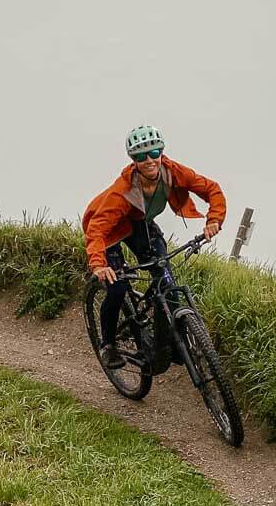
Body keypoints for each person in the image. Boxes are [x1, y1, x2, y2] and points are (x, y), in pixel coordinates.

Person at [82, 125, 227, 369]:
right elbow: (97, 229)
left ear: (162, 152)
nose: (149, 160)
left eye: (154, 152)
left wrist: (214, 219)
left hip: (140, 223)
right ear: (133, 160)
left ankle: (172, 343)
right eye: (140, 156)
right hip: (111, 231)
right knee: (117, 287)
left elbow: (212, 189)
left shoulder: (173, 172)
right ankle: (108, 345)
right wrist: (99, 264)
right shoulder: (122, 192)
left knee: (166, 282)